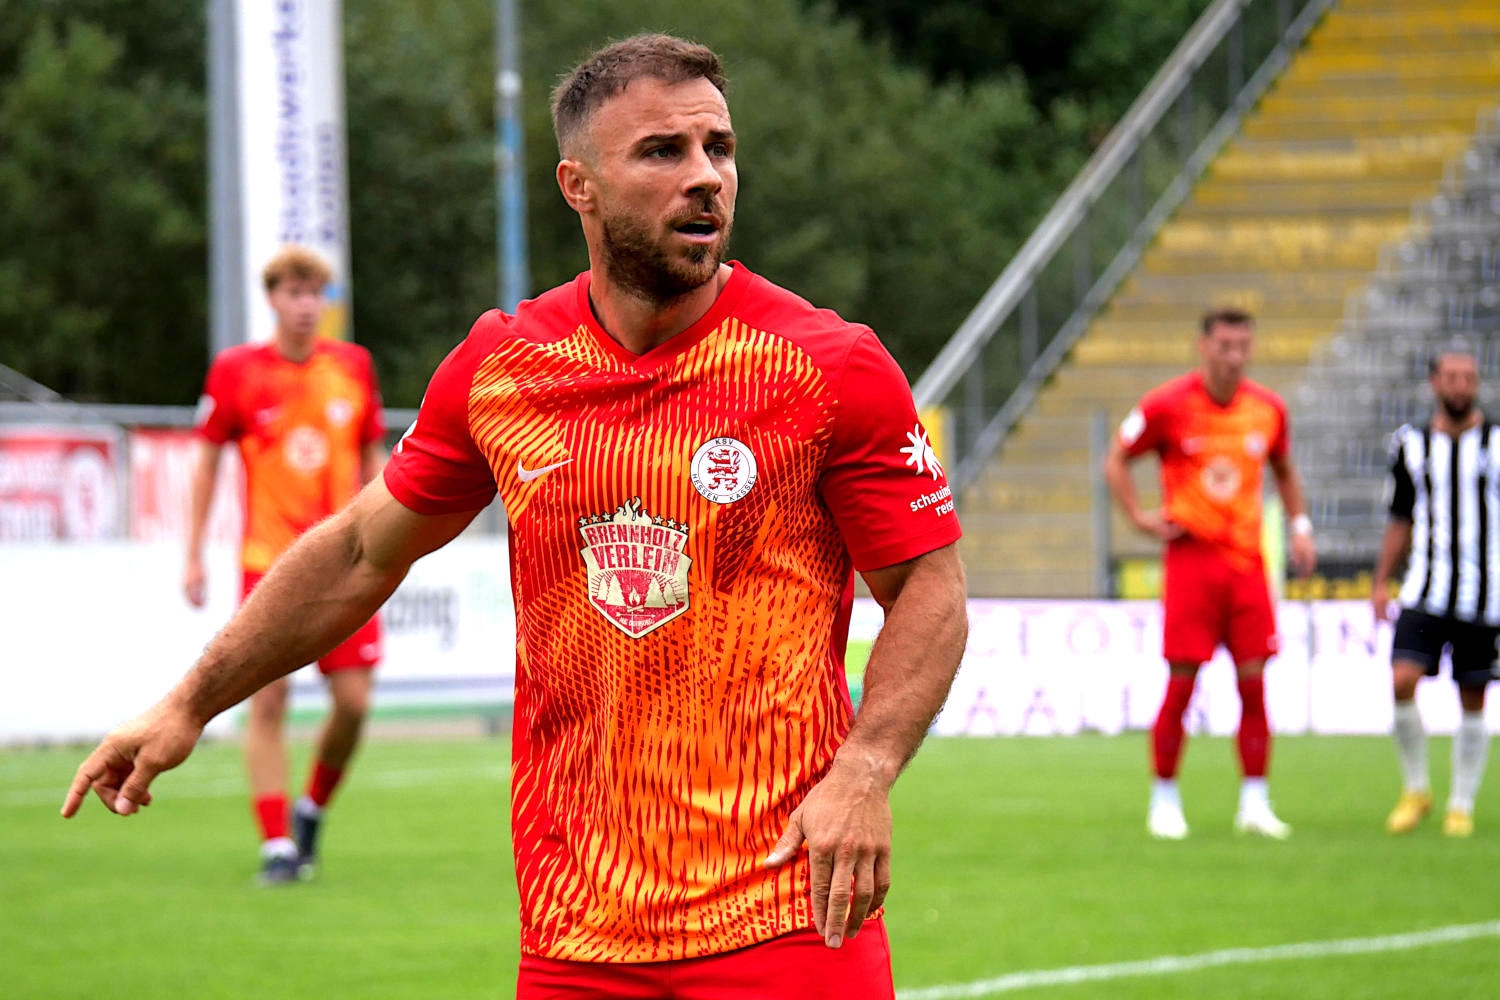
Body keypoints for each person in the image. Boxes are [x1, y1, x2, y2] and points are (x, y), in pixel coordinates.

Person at [63, 34, 969, 998]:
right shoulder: (504, 366)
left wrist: (866, 768)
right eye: (662, 152)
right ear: (579, 186)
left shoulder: (827, 364)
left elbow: (929, 585)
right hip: (575, 931)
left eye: (719, 148)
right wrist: (189, 703)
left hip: (784, 916)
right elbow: (362, 552)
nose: (705, 176)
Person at [182, 246, 387, 883]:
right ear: (272, 299)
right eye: (293, 293)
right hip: (269, 565)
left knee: (354, 704)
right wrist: (193, 554)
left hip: (348, 562)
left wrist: (391, 537)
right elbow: (207, 461)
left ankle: (311, 810)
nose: (305, 305)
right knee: (267, 702)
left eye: (314, 294)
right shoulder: (237, 371)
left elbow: (374, 456)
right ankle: (276, 845)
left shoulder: (352, 366)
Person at [1104, 306, 1316, 840]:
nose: (1234, 357)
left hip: (1247, 566)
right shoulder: (1167, 405)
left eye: (1243, 346)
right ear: (1204, 347)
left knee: (1254, 685)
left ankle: (1255, 803)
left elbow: (1285, 470)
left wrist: (1300, 526)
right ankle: (1164, 800)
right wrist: (1138, 518)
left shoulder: (1268, 409)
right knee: (1181, 684)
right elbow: (1117, 458)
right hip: (1192, 561)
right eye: (1225, 346)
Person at [1373, 345, 1495, 838]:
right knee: (1402, 680)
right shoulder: (1411, 444)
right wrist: (1381, 580)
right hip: (1426, 588)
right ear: (1435, 382)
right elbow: (1399, 517)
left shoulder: (1497, 441)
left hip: (1485, 594)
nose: (1460, 385)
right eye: (1452, 376)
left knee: (1473, 695)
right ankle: (1416, 789)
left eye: (1468, 376)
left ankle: (1460, 804)